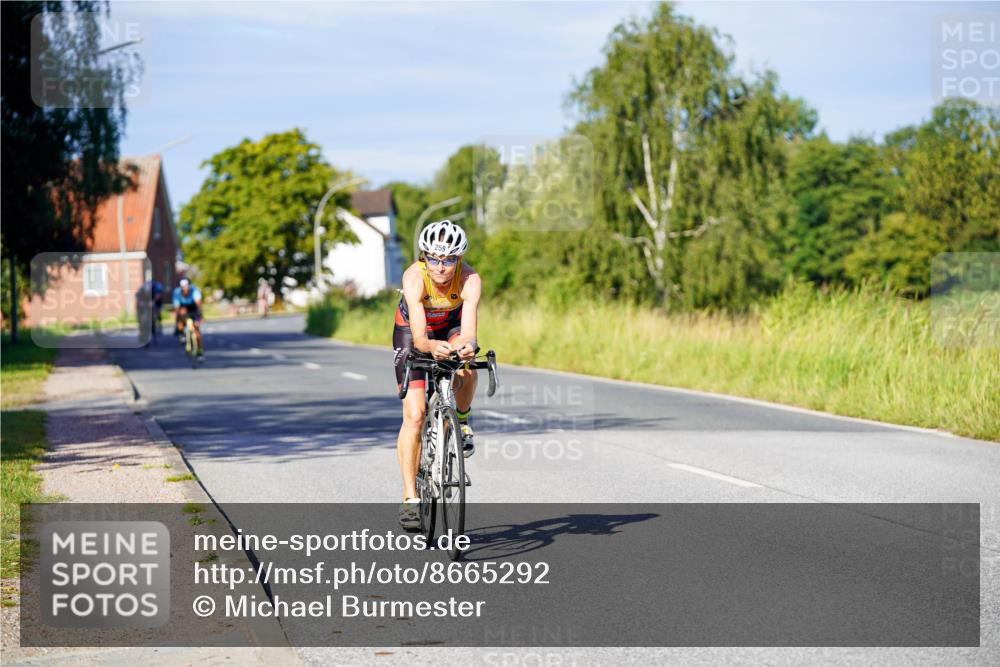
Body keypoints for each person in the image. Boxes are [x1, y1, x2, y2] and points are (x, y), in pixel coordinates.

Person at [393, 220, 481, 529]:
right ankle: (410, 498)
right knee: (415, 415)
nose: (441, 267)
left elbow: (468, 332)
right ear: (423, 256)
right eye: (433, 258)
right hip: (414, 331)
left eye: (449, 260)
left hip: (451, 326)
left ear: (459, 259)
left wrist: (467, 347)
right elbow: (420, 341)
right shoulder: (414, 277)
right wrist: (431, 346)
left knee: (469, 367)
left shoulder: (469, 279)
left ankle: (463, 422)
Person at [172, 278, 204, 358]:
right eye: (183, 288)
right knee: (180, 315)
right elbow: (177, 307)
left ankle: (199, 349)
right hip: (183, 307)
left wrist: (200, 315)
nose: (186, 290)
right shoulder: (177, 292)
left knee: (197, 330)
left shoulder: (194, 290)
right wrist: (177, 317)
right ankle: (182, 333)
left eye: (187, 287)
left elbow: (198, 303)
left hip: (193, 308)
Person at [136, 277, 164, 346]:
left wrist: (153, 301)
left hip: (155, 302)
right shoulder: (141, 290)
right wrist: (140, 303)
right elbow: (138, 297)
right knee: (141, 316)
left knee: (155, 312)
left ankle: (157, 322)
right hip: (144, 304)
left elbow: (158, 296)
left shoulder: (155, 288)